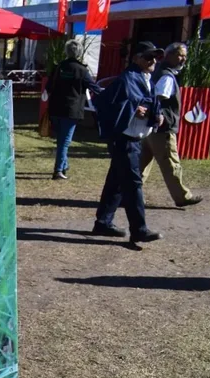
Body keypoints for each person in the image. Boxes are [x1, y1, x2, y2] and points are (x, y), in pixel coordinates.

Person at [91, 41, 164, 243]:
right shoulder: (127, 78)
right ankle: (139, 229)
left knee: (116, 182)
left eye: (155, 57)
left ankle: (103, 223)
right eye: (148, 56)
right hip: (124, 139)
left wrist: (157, 114)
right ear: (136, 58)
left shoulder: (145, 78)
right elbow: (105, 102)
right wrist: (134, 109)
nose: (153, 60)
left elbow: (146, 102)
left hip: (131, 139)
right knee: (133, 184)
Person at [140, 42, 202, 207]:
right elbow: (160, 97)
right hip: (163, 127)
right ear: (170, 55)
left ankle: (129, 194)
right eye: (180, 55)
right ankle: (182, 196)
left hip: (149, 126)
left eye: (184, 56)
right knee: (171, 162)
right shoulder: (167, 76)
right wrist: (158, 114)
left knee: (141, 164)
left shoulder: (157, 71)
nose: (183, 59)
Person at [47, 39, 102, 180]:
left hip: (55, 108)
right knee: (64, 141)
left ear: (66, 51)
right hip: (72, 110)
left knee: (61, 140)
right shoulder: (82, 70)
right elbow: (94, 87)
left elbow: (48, 87)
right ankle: (58, 170)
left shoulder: (58, 67)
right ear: (79, 52)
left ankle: (63, 165)